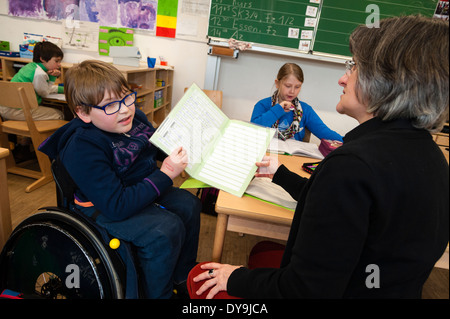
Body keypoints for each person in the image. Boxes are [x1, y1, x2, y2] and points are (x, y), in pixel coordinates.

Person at [190, 15, 449, 299]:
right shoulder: (433, 158)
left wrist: (236, 277)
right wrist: (279, 173)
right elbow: (337, 208)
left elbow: (302, 290)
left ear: (386, 81)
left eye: (355, 67)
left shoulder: (352, 166)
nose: (342, 77)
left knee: (199, 277)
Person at [39, 60, 201, 299]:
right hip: (103, 205)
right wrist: (166, 173)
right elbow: (116, 206)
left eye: (126, 98)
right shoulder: (82, 146)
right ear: (83, 112)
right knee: (165, 229)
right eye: (110, 106)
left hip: (137, 186)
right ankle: (159, 294)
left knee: (190, 204)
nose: (125, 109)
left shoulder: (134, 120)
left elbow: (155, 146)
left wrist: (185, 148)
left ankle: (182, 276)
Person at [250, 62, 343, 142]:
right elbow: (253, 130)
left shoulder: (305, 110)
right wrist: (278, 109)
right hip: (267, 155)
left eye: (297, 87)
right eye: (288, 86)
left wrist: (350, 142)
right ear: (277, 83)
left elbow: (324, 132)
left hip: (292, 158)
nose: (292, 91)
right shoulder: (262, 105)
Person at [0, 41, 64, 121]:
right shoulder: (40, 74)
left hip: (5, 107)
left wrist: (60, 89)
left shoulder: (30, 67)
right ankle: (36, 133)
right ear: (42, 59)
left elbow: (43, 88)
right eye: (56, 61)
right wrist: (52, 77)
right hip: (16, 111)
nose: (59, 64)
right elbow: (45, 93)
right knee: (59, 114)